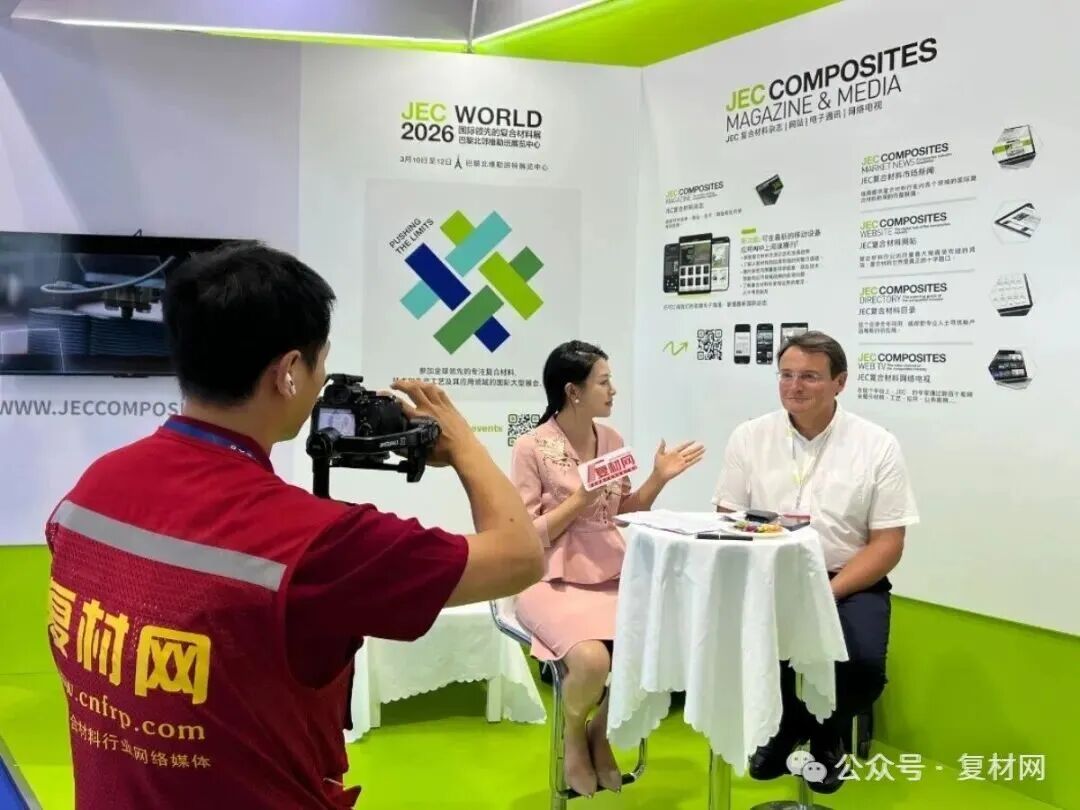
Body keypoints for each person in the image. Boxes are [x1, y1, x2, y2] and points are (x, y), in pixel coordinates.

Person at [43, 242, 545, 809]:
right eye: (319, 363)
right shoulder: (319, 543)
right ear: (287, 373)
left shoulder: (94, 486)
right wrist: (464, 444)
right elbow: (521, 555)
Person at [711, 330, 918, 794]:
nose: (794, 386)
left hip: (848, 579)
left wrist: (828, 590)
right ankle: (793, 726)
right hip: (767, 575)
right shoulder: (750, 437)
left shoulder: (876, 444)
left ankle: (821, 730)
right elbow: (728, 518)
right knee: (761, 658)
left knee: (862, 669)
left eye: (809, 377)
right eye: (786, 375)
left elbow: (888, 542)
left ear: (839, 382)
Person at [510, 340, 705, 797]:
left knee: (656, 646)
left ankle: (600, 731)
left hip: (614, 573)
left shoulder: (612, 440)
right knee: (593, 660)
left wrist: (658, 478)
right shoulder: (530, 447)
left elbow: (622, 512)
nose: (613, 390)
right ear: (573, 391)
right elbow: (526, 534)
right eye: (604, 382)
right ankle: (573, 733)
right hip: (550, 578)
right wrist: (579, 500)